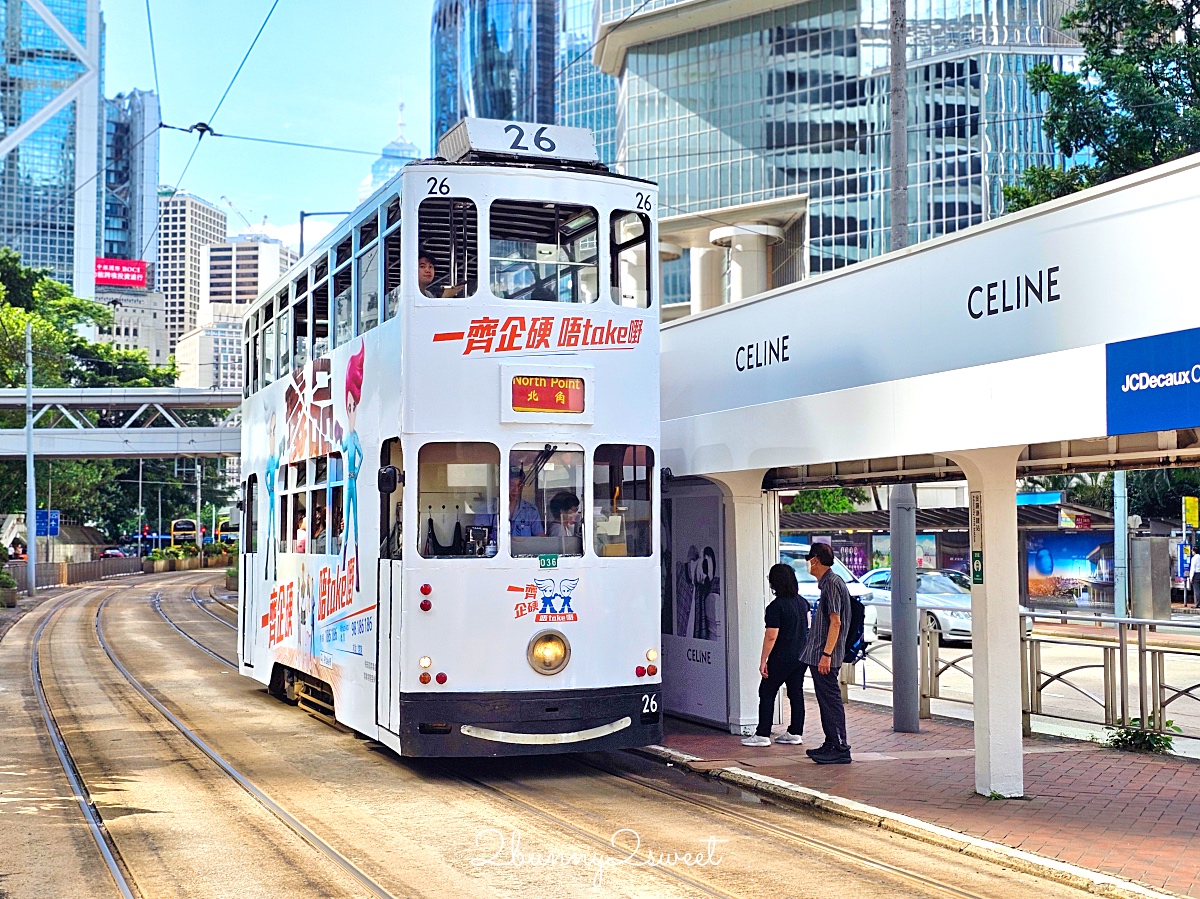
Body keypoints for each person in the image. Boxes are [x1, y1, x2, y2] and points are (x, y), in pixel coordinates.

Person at [742, 563, 809, 747]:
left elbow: (771, 636)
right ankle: (795, 732)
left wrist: (763, 659)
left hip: (781, 656)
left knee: (767, 691)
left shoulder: (775, 607)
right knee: (796, 693)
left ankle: (763, 733)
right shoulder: (803, 602)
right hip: (801, 656)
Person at [801, 542, 853, 764]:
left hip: (825, 656)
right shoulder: (830, 583)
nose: (808, 564)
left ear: (816, 560)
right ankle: (831, 742)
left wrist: (826, 654)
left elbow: (836, 621)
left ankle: (840, 747)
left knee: (830, 701)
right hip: (821, 654)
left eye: (809, 559)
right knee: (826, 700)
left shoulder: (831, 584)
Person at [508, 466, 544, 537]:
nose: (516, 489)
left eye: (520, 485)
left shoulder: (531, 511)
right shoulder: (491, 509)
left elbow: (540, 536)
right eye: (512, 485)